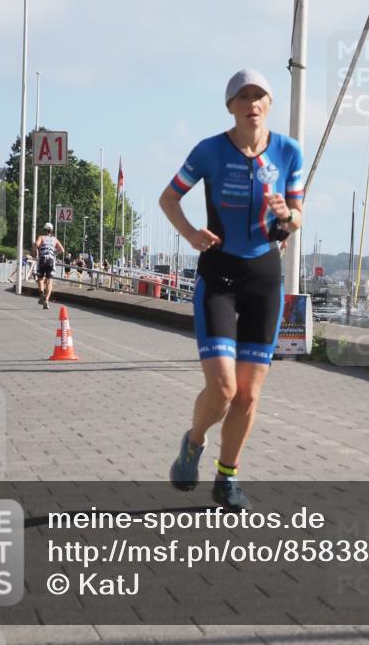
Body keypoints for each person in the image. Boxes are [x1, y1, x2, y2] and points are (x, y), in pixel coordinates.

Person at [159, 69, 303, 512]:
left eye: (260, 96)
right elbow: (169, 198)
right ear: (231, 106)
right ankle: (193, 443)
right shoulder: (209, 151)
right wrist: (190, 235)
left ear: (269, 105)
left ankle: (227, 478)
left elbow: (296, 217)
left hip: (264, 276)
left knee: (249, 392)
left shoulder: (288, 151)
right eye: (244, 96)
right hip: (218, 274)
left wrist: (287, 214)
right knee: (222, 388)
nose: (252, 103)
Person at [32, 223, 64, 309]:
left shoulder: (41, 237)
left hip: (42, 259)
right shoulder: (55, 239)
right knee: (49, 282)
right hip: (51, 260)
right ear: (52, 230)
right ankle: (46, 299)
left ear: (44, 230)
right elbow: (62, 250)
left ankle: (41, 293)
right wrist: (54, 254)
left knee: (41, 278)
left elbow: (37, 244)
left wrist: (35, 251)